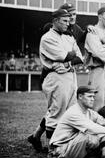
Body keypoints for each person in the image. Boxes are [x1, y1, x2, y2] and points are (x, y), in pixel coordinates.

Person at [30, 9, 83, 149]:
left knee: (71, 110)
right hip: (56, 76)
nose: (68, 23)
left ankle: (62, 142)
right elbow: (65, 55)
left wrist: (68, 62)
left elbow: (80, 58)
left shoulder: (69, 37)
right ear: (55, 21)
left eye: (68, 20)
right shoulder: (48, 37)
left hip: (70, 74)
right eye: (64, 21)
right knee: (56, 111)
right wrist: (70, 56)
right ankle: (51, 147)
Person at [47, 86, 105, 158]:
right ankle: (102, 156)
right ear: (80, 96)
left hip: (72, 144)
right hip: (58, 150)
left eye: (93, 97)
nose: (92, 99)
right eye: (89, 96)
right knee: (92, 134)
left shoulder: (89, 112)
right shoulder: (73, 112)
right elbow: (91, 128)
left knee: (102, 132)